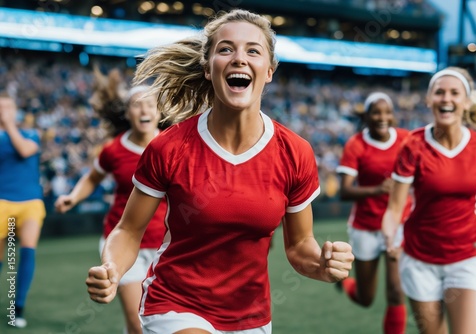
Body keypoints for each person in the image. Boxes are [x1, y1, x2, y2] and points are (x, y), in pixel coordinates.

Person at [85, 9, 354, 334]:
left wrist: (323, 265)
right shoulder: (168, 148)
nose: (239, 58)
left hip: (251, 317)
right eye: (226, 49)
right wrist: (112, 267)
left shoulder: (295, 152)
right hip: (175, 304)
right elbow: (128, 230)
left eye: (253, 50)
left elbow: (299, 246)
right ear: (208, 68)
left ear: (268, 71)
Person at [382, 66, 476, 334]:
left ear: (466, 102)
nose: (446, 99)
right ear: (428, 99)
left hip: (469, 257)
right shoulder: (412, 145)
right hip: (419, 259)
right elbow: (394, 209)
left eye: (454, 93)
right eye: (439, 93)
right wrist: (391, 238)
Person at [55, 68, 168, 334]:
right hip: (122, 242)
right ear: (127, 114)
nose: (144, 110)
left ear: (159, 113)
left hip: (166, 245)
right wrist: (73, 197)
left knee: (164, 321)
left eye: (150, 104)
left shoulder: (173, 145)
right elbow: (92, 179)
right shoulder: (113, 150)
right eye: (137, 105)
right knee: (137, 322)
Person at [336, 92, 412, 334]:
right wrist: (378, 189)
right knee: (365, 298)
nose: (382, 117)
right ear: (366, 116)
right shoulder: (356, 144)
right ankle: (345, 283)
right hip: (366, 226)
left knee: (396, 291)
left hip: (398, 224)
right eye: (376, 112)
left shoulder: (406, 139)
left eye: (387, 112)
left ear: (393, 115)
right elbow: (344, 191)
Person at [0, 92, 45, 328]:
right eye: (1, 107)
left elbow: (25, 151)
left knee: (28, 249)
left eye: (8, 107)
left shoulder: (30, 134)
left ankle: (17, 307)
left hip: (30, 202)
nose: (4, 111)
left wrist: (8, 126)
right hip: (1, 201)